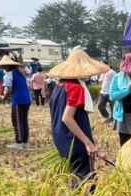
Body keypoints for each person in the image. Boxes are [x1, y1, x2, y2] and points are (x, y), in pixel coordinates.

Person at [47, 47, 109, 184]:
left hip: (60, 137)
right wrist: (88, 143)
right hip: (74, 139)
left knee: (76, 174)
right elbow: (67, 118)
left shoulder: (58, 87)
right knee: (83, 179)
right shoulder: (75, 88)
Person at [0, 54, 31, 149]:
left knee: (17, 121)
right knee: (24, 120)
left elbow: (9, 90)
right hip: (27, 99)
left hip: (18, 100)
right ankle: (25, 141)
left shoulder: (8, 75)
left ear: (6, 66)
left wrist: (3, 97)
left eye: (2, 66)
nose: (1, 67)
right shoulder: (19, 72)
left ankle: (19, 142)